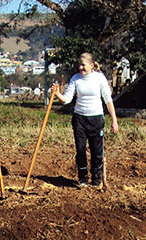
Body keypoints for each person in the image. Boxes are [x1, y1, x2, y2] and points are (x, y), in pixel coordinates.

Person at [51, 52, 119, 188]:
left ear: (91, 65)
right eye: (79, 65)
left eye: (83, 65)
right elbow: (67, 99)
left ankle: (96, 179)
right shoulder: (76, 78)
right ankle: (83, 179)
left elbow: (108, 100)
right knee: (80, 149)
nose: (81, 68)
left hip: (96, 119)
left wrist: (114, 120)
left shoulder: (99, 78)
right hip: (79, 118)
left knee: (96, 151)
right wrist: (57, 93)